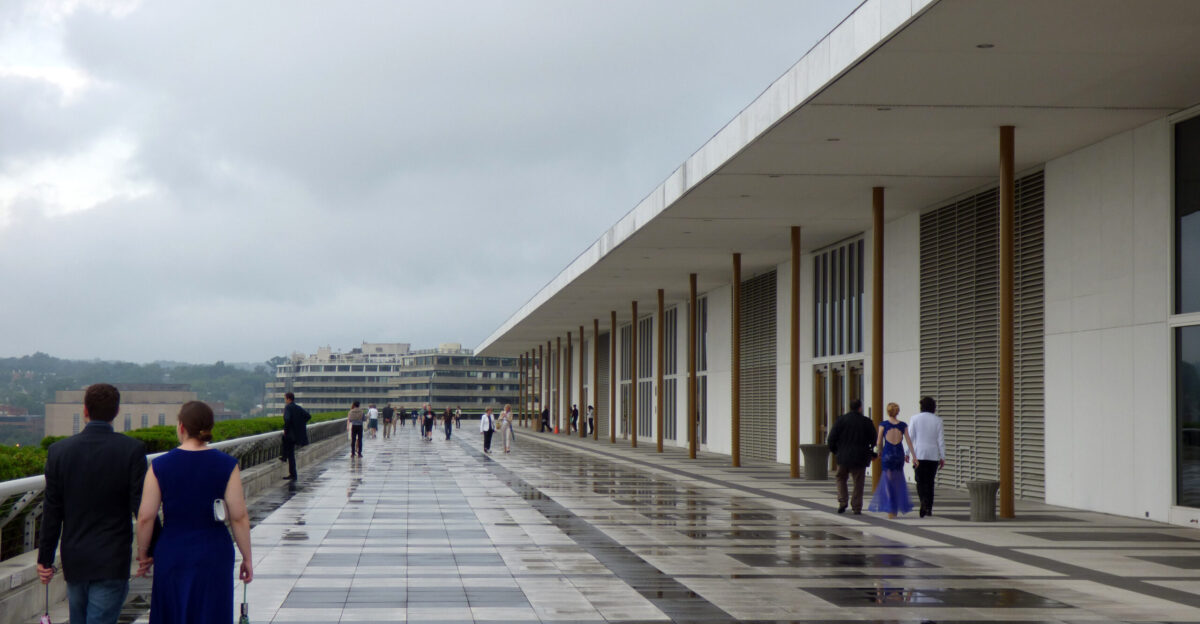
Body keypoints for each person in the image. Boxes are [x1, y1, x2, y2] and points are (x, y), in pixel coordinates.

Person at [38, 383, 151, 624]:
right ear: (117, 411)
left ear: (85, 411)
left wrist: (45, 559)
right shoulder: (132, 450)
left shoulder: (59, 451)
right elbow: (142, 508)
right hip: (113, 558)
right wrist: (148, 551)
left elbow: (52, 510)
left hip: (75, 558)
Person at [135, 401, 253, 624]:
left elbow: (146, 517)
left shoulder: (160, 465)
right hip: (214, 550)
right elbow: (239, 516)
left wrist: (143, 553)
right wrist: (247, 557)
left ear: (181, 427)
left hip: (173, 550)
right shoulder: (227, 464)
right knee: (211, 612)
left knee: (172, 612)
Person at [868, 402, 919, 518]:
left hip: (888, 454)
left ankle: (891, 507)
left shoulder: (883, 425)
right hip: (899, 454)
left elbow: (879, 441)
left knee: (888, 482)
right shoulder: (903, 425)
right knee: (898, 481)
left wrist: (879, 452)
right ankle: (895, 507)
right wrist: (914, 457)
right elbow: (909, 442)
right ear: (897, 412)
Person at [826, 398, 876, 514]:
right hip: (860, 457)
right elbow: (873, 440)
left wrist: (836, 452)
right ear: (860, 408)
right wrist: (870, 452)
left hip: (843, 456)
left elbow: (831, 439)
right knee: (858, 482)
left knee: (840, 478)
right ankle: (857, 506)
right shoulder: (866, 421)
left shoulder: (841, 420)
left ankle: (843, 501)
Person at [909, 396, 946, 517]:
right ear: (933, 408)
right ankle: (929, 507)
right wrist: (942, 456)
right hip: (933, 455)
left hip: (919, 454)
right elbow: (940, 440)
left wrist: (906, 453)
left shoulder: (914, 419)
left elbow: (910, 437)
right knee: (930, 482)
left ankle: (923, 500)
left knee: (920, 480)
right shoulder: (938, 420)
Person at [280, 392, 311, 480]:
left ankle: (292, 472)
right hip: (296, 434)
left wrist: (286, 429)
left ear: (288, 399)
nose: (285, 400)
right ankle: (292, 472)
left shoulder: (288, 407)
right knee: (291, 454)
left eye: (285, 398)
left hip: (290, 434)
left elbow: (287, 419)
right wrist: (299, 424)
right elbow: (308, 416)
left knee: (290, 453)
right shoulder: (298, 407)